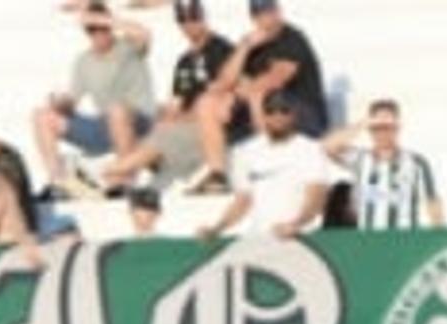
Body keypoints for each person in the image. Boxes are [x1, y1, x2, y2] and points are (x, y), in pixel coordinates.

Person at [188, 0, 327, 194]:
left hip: (303, 113)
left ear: (279, 12)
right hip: (262, 110)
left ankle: (271, 166)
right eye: (259, 15)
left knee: (260, 96)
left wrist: (235, 95)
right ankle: (218, 175)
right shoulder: (254, 44)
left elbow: (276, 79)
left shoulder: (293, 38)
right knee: (206, 102)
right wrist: (244, 48)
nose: (266, 19)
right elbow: (224, 82)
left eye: (269, 12)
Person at [103, 0, 234, 191]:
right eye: (182, 19)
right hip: (184, 126)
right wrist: (166, 115)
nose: (189, 24)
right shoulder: (184, 60)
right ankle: (119, 177)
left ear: (204, 17)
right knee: (149, 118)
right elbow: (176, 103)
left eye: (194, 17)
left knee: (161, 137)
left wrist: (181, 118)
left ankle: (107, 173)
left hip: (206, 127)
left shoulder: (222, 50)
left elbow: (225, 100)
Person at [33, 1, 155, 193]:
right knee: (41, 115)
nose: (97, 33)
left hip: (140, 122)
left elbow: (144, 34)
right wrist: (60, 104)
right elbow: (73, 101)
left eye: (102, 28)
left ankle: (125, 180)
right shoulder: (84, 61)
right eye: (91, 29)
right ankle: (58, 181)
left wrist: (103, 18)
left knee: (117, 110)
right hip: (105, 125)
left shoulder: (128, 48)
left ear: (110, 27)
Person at [196, 90, 331, 239]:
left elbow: (315, 199)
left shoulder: (310, 150)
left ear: (294, 114)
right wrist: (217, 228)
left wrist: (296, 224)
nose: (277, 116)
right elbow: (243, 200)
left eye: (284, 110)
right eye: (270, 111)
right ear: (264, 115)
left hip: (301, 238)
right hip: (260, 238)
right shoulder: (246, 151)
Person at [322, 99, 443, 229]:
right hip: (368, 240)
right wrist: (363, 123)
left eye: (388, 127)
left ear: (397, 127)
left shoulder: (417, 162)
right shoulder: (360, 158)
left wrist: (438, 233)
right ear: (370, 130)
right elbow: (328, 146)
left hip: (405, 240)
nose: (383, 133)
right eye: (377, 128)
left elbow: (432, 201)